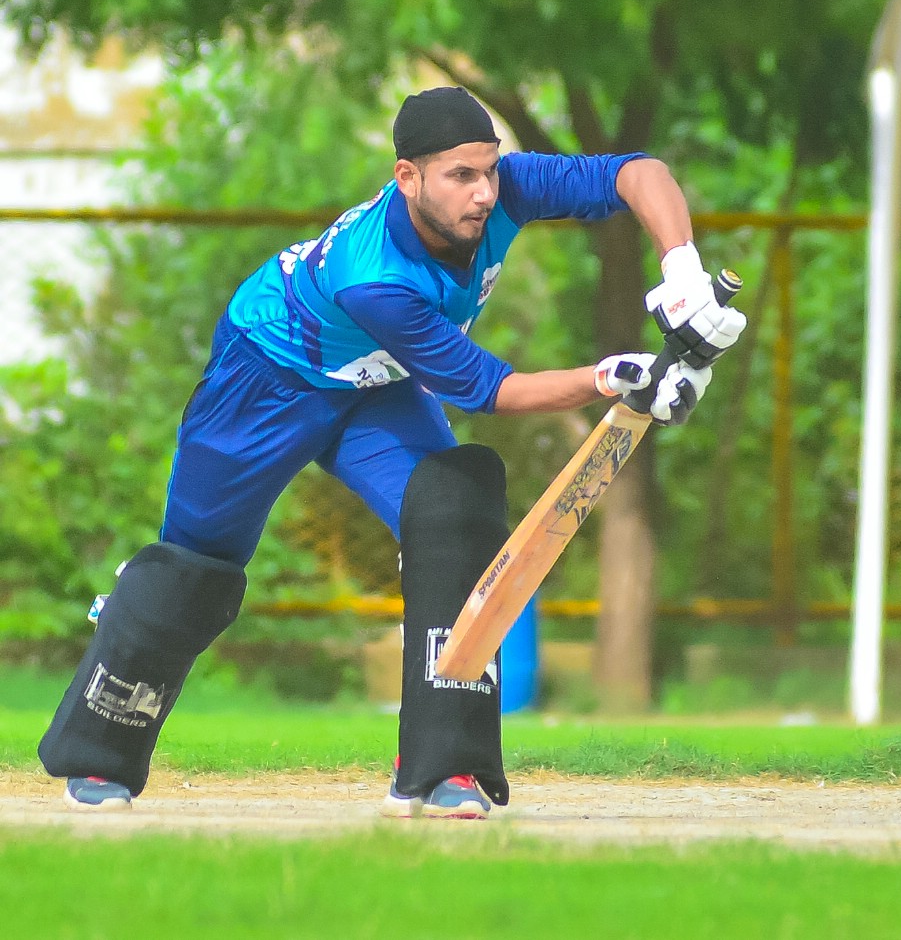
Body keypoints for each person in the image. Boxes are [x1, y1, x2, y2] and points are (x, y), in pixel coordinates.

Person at [37, 86, 746, 819]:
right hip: (265, 380)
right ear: (407, 177)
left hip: (376, 384)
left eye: (489, 170)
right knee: (192, 571)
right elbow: (487, 388)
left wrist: (682, 269)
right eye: (460, 176)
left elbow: (637, 172)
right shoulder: (372, 276)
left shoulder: (507, 188)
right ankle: (97, 755)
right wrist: (615, 377)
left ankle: (443, 769)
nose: (483, 193)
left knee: (455, 515)